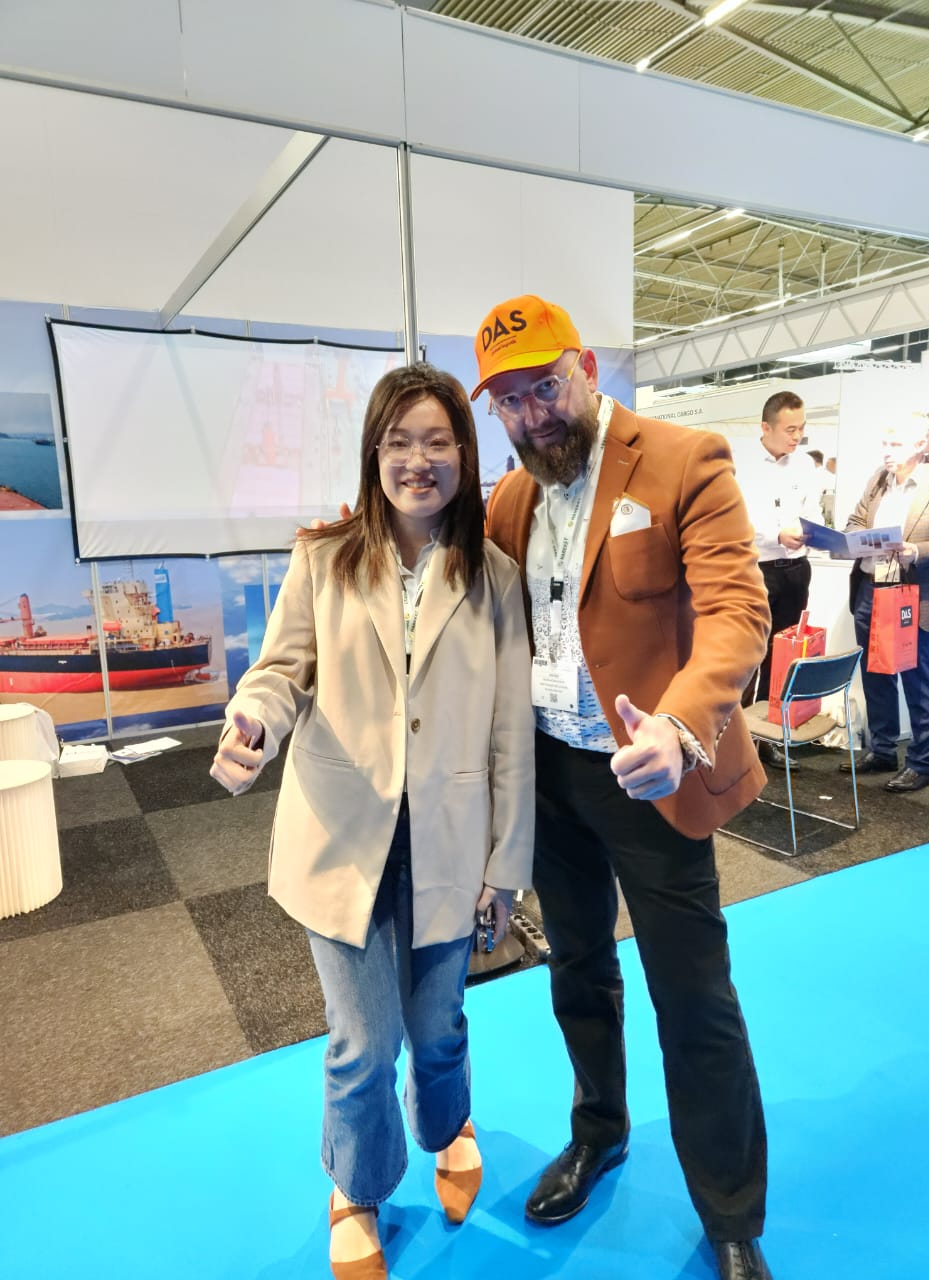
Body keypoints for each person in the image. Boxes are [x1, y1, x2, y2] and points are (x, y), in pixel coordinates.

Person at [472, 295, 774, 1280]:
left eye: (546, 387)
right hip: (549, 773)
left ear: (588, 367)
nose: (533, 415)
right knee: (576, 969)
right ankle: (598, 1130)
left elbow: (736, 611)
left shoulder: (685, 460)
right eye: (510, 401)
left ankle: (730, 1211)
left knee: (694, 995)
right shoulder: (509, 500)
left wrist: (680, 728)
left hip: (652, 771)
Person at [210, 362, 534, 1280]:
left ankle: (449, 1123)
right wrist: (253, 722)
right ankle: (355, 1186)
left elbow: (510, 733)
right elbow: (281, 673)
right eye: (399, 442)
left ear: (465, 455)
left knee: (439, 1026)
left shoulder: (495, 577)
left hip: (450, 838)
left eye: (437, 442)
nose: (417, 461)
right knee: (364, 1040)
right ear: (373, 454)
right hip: (340, 832)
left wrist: (506, 867)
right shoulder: (324, 558)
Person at [840, 415, 929, 793]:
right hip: (871, 587)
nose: (886, 453)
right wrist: (859, 540)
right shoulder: (879, 479)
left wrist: (917, 551)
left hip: (917, 593)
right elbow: (854, 522)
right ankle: (882, 749)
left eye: (894, 446)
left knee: (919, 677)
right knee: (876, 672)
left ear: (920, 445)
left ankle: (922, 763)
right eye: (884, 445)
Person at [735, 391, 822, 768]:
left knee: (782, 658)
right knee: (746, 657)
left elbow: (812, 510)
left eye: (801, 428)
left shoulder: (804, 465)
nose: (797, 436)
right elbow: (735, 519)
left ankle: (768, 739)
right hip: (758, 569)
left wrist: (814, 532)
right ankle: (735, 740)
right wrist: (775, 536)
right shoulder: (741, 465)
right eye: (790, 429)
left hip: (796, 571)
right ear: (765, 427)